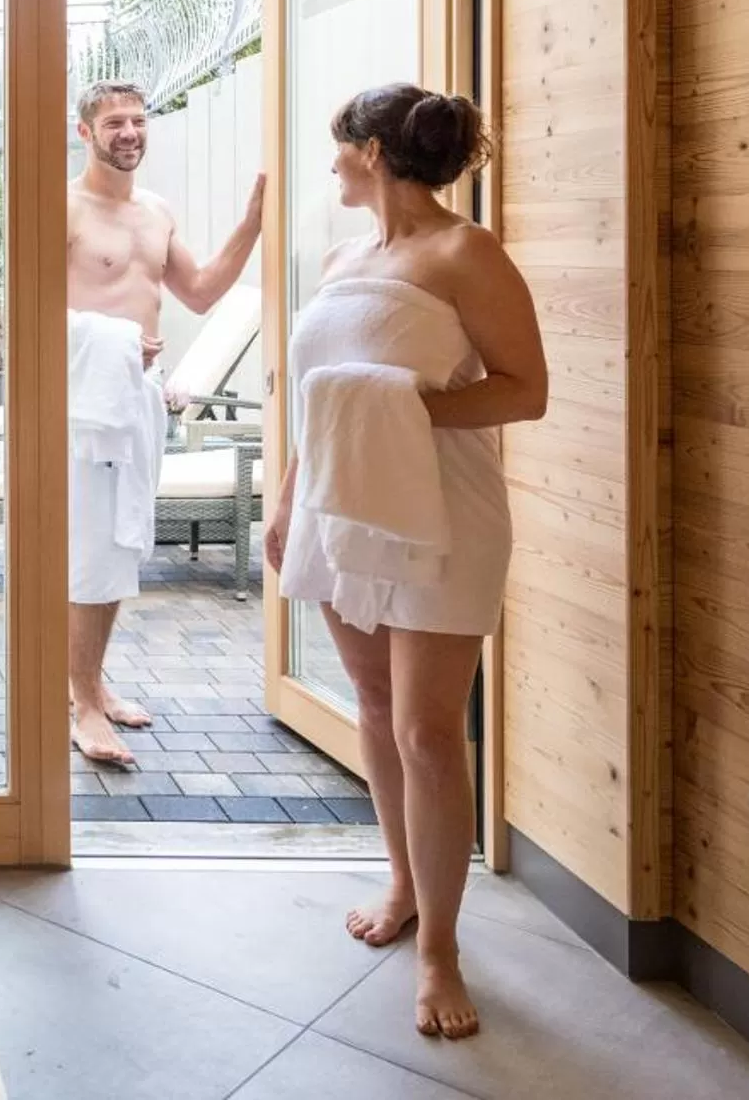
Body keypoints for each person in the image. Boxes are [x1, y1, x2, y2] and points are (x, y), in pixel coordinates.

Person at [263, 82, 545, 1042]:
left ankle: (442, 951)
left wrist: (404, 416)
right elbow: (325, 396)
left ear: (373, 153)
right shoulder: (344, 259)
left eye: (340, 146)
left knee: (429, 731)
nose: (332, 161)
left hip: (441, 512)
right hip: (342, 510)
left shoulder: (467, 252)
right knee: (375, 709)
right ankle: (403, 883)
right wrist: (292, 494)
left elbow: (527, 390)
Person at [64, 79, 265, 769]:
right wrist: (116, 341)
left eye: (138, 120)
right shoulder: (64, 206)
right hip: (89, 401)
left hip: (135, 396)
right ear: (86, 131)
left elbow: (203, 291)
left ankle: (90, 681)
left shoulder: (157, 213)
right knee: (92, 547)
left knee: (120, 545)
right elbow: (28, 311)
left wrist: (253, 224)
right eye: (114, 121)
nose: (130, 132)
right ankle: (84, 703)